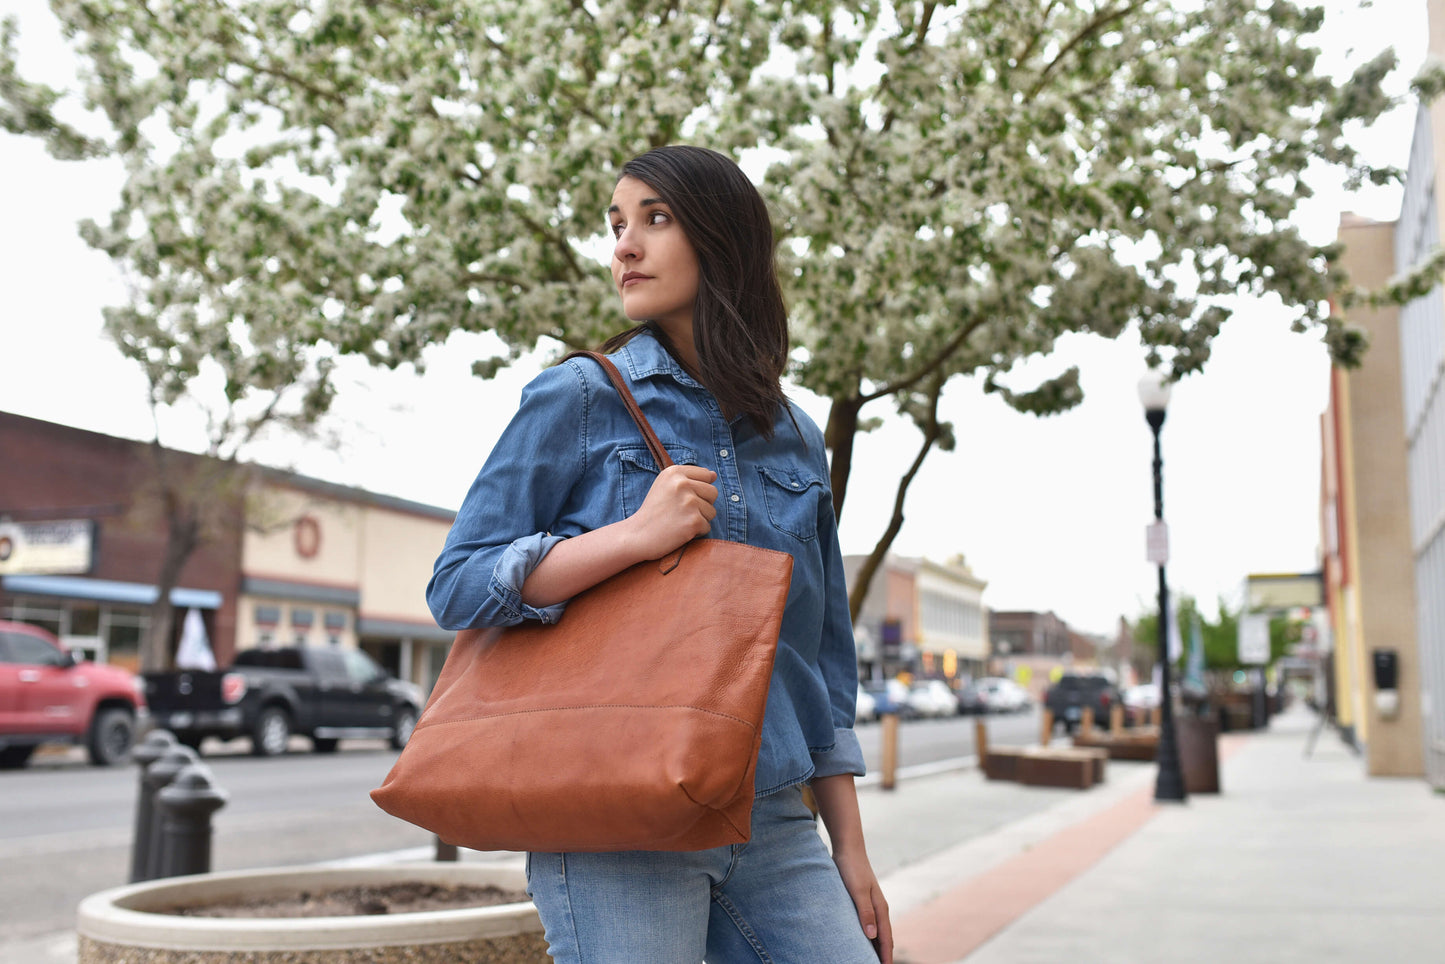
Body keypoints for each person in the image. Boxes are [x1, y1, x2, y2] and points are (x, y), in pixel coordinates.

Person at [427, 145, 892, 964]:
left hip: (775, 815)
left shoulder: (793, 436)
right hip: (617, 817)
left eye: (655, 218)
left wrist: (850, 852)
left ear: (722, 237)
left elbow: (819, 666)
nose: (624, 247)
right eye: (616, 226)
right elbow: (457, 583)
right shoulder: (578, 396)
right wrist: (629, 538)